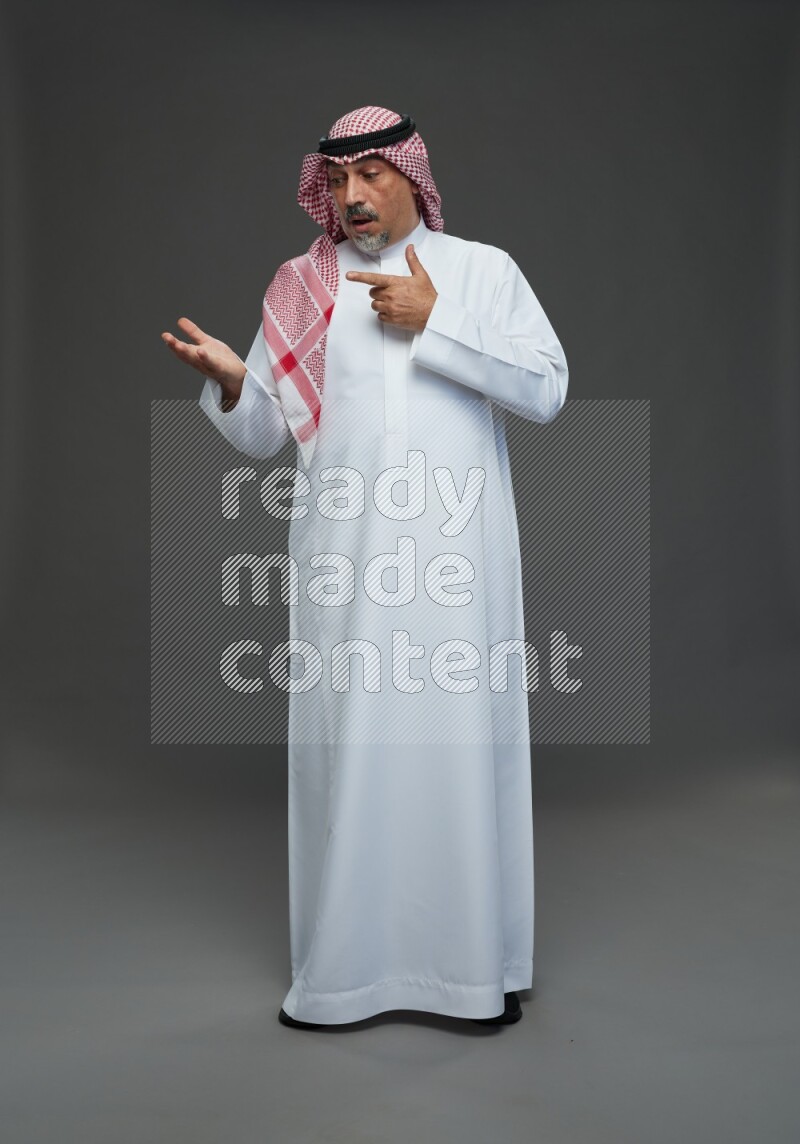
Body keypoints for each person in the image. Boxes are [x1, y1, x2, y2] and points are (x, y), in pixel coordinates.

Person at [161, 106, 568, 1029]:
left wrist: (439, 321)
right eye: (338, 180)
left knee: (463, 750)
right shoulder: (302, 288)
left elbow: (546, 389)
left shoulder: (479, 271)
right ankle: (345, 976)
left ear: (413, 177)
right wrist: (233, 383)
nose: (352, 197)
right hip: (345, 573)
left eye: (373, 175)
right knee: (352, 755)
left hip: (458, 570)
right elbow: (268, 435)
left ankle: (473, 972)